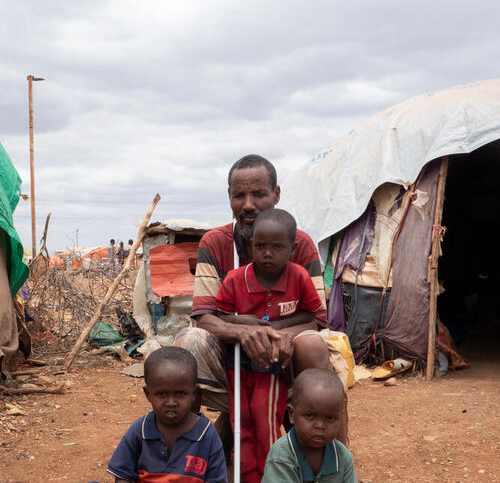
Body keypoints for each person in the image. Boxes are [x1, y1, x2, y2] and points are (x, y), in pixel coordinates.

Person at [174, 154, 349, 458]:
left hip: (287, 350)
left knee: (312, 345)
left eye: (258, 194)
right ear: (229, 199)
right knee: (188, 343)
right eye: (239, 196)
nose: (248, 205)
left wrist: (275, 334)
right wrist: (244, 334)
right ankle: (188, 454)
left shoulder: (300, 244)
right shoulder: (214, 244)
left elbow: (316, 319)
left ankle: (336, 460)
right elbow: (204, 317)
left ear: (276, 195)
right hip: (234, 357)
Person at [213, 209, 324, 483]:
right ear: (251, 245)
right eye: (260, 246)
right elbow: (220, 315)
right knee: (241, 422)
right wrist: (243, 322)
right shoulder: (236, 279)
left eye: (277, 247)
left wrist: (277, 327)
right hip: (237, 364)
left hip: (271, 365)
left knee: (266, 422)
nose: (267, 253)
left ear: (292, 248)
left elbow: (312, 316)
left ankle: (273, 475)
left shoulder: (298, 277)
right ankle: (247, 475)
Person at [106, 346, 227, 483]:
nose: (171, 402)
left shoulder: (207, 435)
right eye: (161, 394)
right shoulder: (140, 430)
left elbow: (217, 479)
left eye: (180, 393)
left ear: (194, 394)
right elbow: (123, 476)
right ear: (148, 394)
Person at [263, 369, 356, 483]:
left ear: (340, 418)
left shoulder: (342, 456)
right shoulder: (281, 456)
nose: (320, 426)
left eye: (330, 418)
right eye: (310, 415)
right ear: (292, 414)